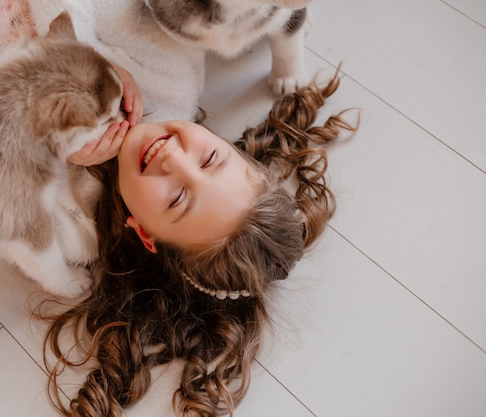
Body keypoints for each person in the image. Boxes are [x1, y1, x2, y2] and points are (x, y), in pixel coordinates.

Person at [39, 70, 358, 417]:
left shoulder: (59, 228)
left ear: (145, 233)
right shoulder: (172, 78)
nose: (173, 157)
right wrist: (106, 66)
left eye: (176, 199)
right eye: (209, 159)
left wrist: (48, 143)